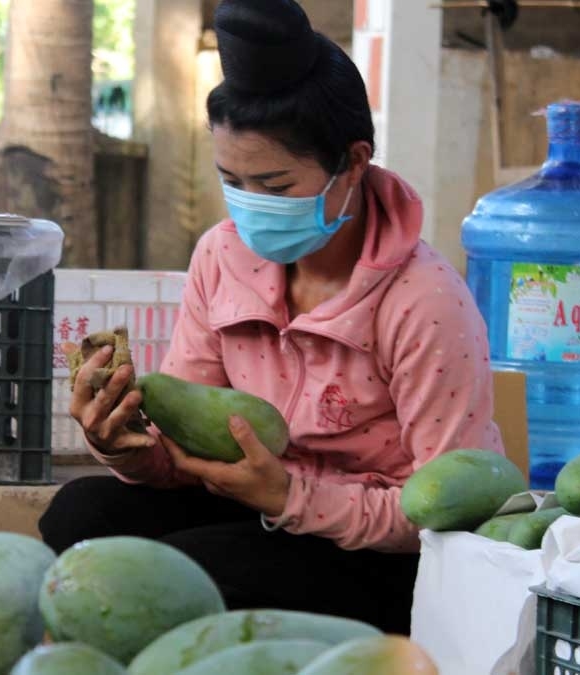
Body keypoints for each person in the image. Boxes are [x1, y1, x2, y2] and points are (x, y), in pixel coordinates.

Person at [40, 0, 504, 635]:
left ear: (354, 163)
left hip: (380, 557)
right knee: (79, 517)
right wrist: (125, 446)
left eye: (277, 187)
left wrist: (290, 498)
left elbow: (453, 513)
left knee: (185, 575)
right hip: (252, 513)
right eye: (233, 180)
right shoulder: (221, 256)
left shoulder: (425, 303)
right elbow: (182, 456)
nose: (251, 207)